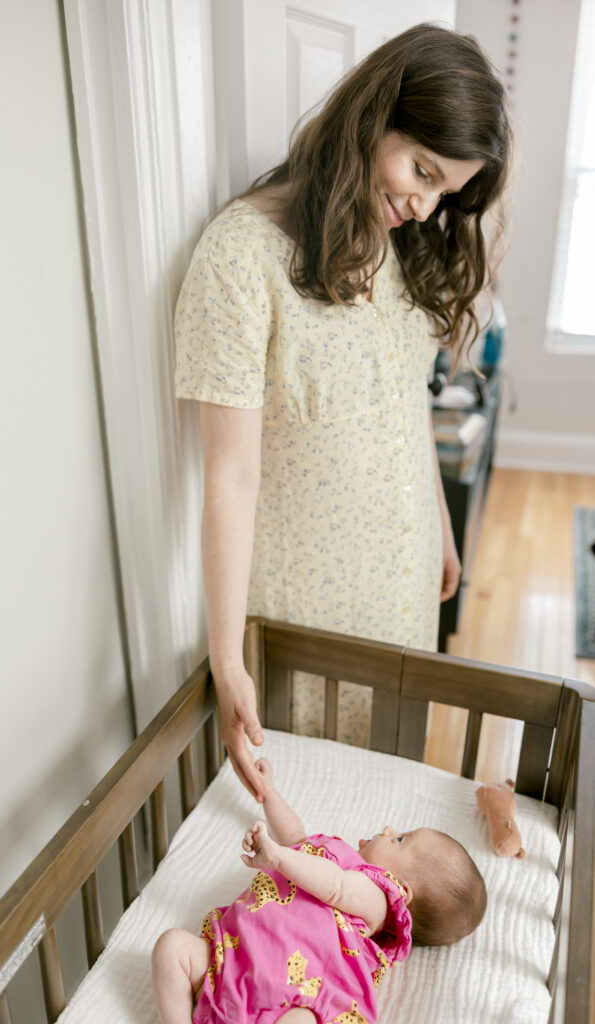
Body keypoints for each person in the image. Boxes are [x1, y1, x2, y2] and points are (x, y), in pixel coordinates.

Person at [174, 23, 512, 800]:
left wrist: (439, 525)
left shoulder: (397, 246)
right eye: (420, 170)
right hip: (308, 614)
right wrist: (227, 659)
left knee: (387, 801)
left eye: (445, 192)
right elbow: (229, 476)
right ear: (370, 114)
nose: (423, 205)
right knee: (315, 813)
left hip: (399, 586)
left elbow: (401, 400)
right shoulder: (240, 257)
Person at [152, 758, 487, 1024]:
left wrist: (279, 858)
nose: (388, 830)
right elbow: (296, 834)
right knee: (172, 947)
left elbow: (336, 887)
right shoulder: (329, 853)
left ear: (403, 890)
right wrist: (269, 793)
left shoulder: (378, 898)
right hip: (232, 956)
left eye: (401, 840)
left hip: (294, 993)